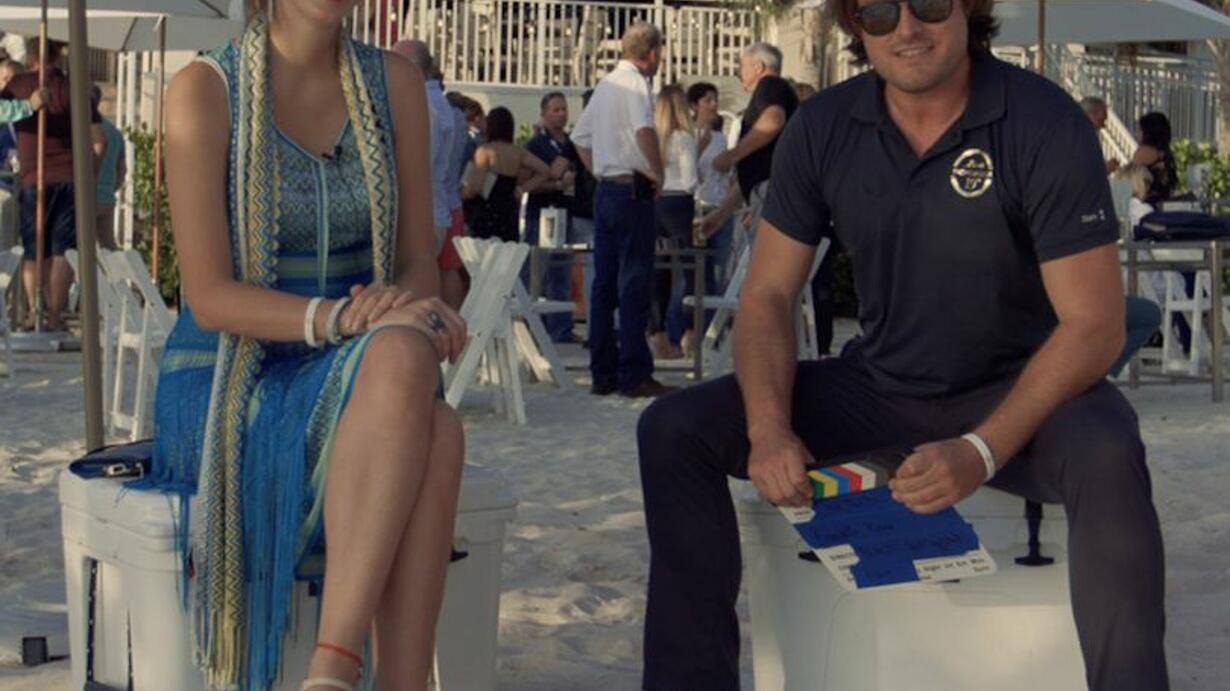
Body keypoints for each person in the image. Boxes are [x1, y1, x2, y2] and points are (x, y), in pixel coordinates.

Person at [637, 1, 1169, 690]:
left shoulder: (1042, 120)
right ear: (854, 23)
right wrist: (767, 428)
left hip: (1022, 393)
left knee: (1110, 451)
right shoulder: (825, 126)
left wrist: (981, 450)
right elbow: (767, 295)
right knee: (674, 430)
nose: (908, 28)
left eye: (930, 4)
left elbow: (1095, 323)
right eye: (880, 11)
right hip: (883, 387)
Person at [149, 1, 467, 689]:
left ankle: (361, 675)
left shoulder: (395, 86)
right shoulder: (205, 90)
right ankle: (343, 669)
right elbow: (209, 296)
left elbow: (418, 260)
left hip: (362, 362)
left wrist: (399, 305)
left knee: (434, 416)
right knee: (418, 393)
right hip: (228, 372)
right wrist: (342, 319)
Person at [572, 21, 672, 398]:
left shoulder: (605, 85)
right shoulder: (636, 83)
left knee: (604, 284)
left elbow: (580, 138)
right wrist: (657, 173)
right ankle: (634, 373)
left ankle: (603, 372)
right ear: (652, 52)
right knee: (634, 281)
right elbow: (644, 130)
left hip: (607, 190)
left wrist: (600, 169)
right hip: (632, 190)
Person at [1, 39, 103, 332]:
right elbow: (100, 140)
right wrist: (90, 176)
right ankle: (55, 317)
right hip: (70, 177)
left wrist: (26, 106)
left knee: (34, 249)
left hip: (33, 178)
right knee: (63, 250)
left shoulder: (18, 85)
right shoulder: (75, 88)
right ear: (59, 56)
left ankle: (35, 313)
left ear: (31, 55)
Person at [699, 42, 798, 262]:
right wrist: (722, 214)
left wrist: (732, 155)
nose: (738, 72)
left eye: (742, 66)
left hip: (771, 192)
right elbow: (754, 170)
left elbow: (773, 120)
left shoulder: (770, 85)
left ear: (758, 67)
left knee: (764, 262)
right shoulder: (776, 91)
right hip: (767, 191)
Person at [392, 41, 467, 310]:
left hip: (421, 212)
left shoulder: (423, 106)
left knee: (412, 293)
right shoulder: (437, 104)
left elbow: (417, 166)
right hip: (436, 207)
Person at [524, 91, 581, 342]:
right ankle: (532, 326)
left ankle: (561, 329)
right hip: (542, 213)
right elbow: (528, 182)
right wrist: (556, 183)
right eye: (555, 110)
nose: (561, 114)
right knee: (537, 272)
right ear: (544, 113)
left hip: (566, 211)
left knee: (561, 272)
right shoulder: (537, 144)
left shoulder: (570, 143)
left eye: (564, 109)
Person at [647, 84, 696, 360]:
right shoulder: (684, 138)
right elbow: (690, 180)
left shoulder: (653, 139)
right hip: (679, 202)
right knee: (690, 269)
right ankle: (690, 331)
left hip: (656, 201)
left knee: (659, 271)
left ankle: (657, 332)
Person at [461, 106, 552, 242]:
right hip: (509, 209)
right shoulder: (518, 152)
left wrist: (464, 192)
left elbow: (476, 187)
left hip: (486, 211)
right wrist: (522, 189)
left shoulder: (485, 151)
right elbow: (545, 170)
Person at [687, 82, 734, 294]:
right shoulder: (688, 135)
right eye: (708, 101)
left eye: (715, 100)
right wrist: (700, 147)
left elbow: (725, 170)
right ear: (694, 105)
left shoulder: (720, 138)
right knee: (696, 271)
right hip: (699, 207)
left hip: (720, 204)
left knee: (719, 269)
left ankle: (714, 311)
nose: (714, 105)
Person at [92, 85, 126, 251]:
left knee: (81, 248)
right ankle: (117, 268)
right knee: (109, 245)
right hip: (107, 197)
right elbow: (122, 170)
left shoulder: (83, 129)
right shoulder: (115, 133)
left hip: (86, 196)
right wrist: (112, 189)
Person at [1133, 111, 1177, 206]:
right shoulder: (1167, 155)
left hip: (1145, 206)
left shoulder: (1144, 152)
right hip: (1164, 205)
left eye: (1139, 130)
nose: (1136, 134)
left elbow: (1131, 181)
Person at [1080, 96, 1120, 174]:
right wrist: (1105, 169)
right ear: (1091, 115)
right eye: (1101, 120)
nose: (1103, 126)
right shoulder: (1078, 140)